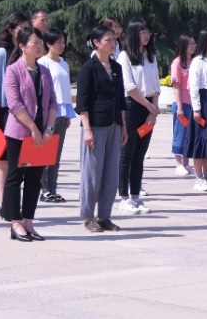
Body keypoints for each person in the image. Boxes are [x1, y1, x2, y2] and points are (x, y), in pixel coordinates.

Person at [2, 25, 58, 241]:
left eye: (40, 42)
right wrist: (33, 128)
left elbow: (52, 102)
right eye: (35, 42)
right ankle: (15, 223)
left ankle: (28, 222)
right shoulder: (13, 71)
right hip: (19, 132)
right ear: (23, 46)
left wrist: (49, 128)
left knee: (35, 179)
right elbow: (15, 104)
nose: (39, 46)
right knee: (15, 177)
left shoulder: (44, 71)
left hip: (43, 133)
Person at [76, 25, 127, 233]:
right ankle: (88, 216)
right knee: (92, 173)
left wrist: (123, 126)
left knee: (111, 174)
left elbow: (120, 99)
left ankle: (105, 215)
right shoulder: (89, 68)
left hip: (114, 123)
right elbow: (83, 102)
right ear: (96, 43)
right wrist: (87, 129)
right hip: (95, 124)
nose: (113, 43)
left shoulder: (116, 68)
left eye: (114, 40)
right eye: (108, 40)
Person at [117, 18, 161, 214]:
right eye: (142, 32)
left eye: (149, 32)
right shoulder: (125, 56)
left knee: (139, 155)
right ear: (134, 33)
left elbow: (156, 86)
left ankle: (135, 196)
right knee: (127, 154)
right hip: (132, 108)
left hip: (149, 108)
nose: (147, 35)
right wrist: (149, 107)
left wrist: (153, 110)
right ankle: (123, 198)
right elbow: (129, 87)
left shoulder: (151, 57)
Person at [0, 12, 28, 207]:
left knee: (20, 160)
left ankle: (14, 200)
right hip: (5, 110)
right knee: (3, 159)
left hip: (24, 111)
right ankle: (4, 202)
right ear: (11, 30)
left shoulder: (25, 52)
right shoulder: (1, 54)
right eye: (21, 28)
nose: (25, 32)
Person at [38, 28, 74, 203]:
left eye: (63, 42)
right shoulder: (42, 63)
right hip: (49, 112)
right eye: (58, 42)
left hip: (63, 111)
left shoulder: (64, 64)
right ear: (49, 44)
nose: (62, 45)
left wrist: (67, 114)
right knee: (45, 153)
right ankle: (44, 189)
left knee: (56, 154)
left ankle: (52, 188)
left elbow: (65, 89)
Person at [186, 30, 207, 190]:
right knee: (199, 138)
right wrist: (197, 109)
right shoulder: (198, 61)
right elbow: (194, 87)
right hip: (203, 101)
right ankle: (199, 177)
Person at [169, 33, 197, 177]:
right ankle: (178, 163)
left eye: (194, 43)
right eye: (190, 43)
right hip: (183, 103)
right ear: (183, 45)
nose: (193, 46)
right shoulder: (178, 63)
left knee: (189, 134)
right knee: (180, 132)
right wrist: (179, 107)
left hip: (194, 104)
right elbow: (176, 86)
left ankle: (186, 162)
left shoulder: (195, 62)